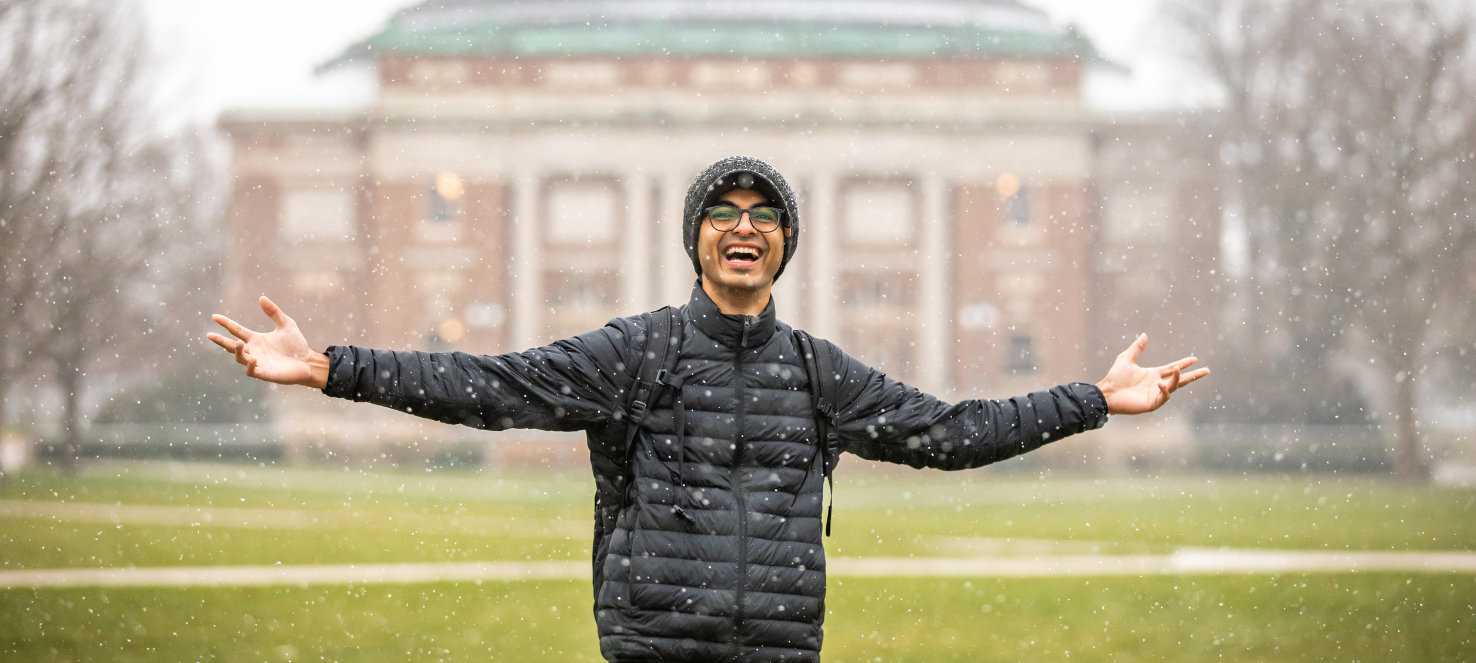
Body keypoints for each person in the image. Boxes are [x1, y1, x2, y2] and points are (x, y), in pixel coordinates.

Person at [209, 155, 1208, 663]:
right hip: (653, 648)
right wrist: (330, 366)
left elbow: (949, 434)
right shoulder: (633, 354)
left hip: (776, 648)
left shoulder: (819, 373)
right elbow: (493, 387)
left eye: (763, 215)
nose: (744, 228)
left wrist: (1094, 401)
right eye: (723, 215)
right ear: (697, 241)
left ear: (783, 245)